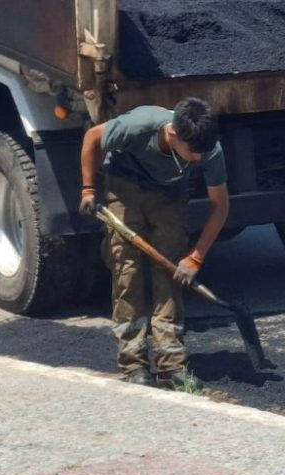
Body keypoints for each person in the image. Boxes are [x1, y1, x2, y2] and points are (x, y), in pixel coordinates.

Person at [78, 97, 230, 388]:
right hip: (124, 186)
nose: (198, 158)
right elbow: (92, 137)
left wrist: (195, 257)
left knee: (170, 274)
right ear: (173, 134)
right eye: (193, 152)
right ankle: (133, 363)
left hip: (169, 194)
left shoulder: (207, 148)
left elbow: (220, 207)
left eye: (202, 152)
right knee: (128, 274)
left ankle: (171, 363)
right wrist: (87, 189)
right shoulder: (140, 124)